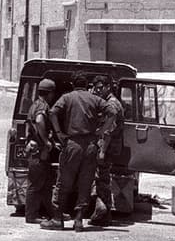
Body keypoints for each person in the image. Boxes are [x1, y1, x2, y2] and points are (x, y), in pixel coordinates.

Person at [41, 71, 103, 232]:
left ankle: (57, 218)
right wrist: (102, 130)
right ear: (87, 84)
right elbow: (112, 111)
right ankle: (79, 220)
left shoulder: (67, 97)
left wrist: (59, 133)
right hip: (90, 145)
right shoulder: (95, 99)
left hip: (72, 144)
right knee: (85, 183)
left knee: (64, 183)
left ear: (73, 84)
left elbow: (53, 112)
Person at [90, 75, 125, 226]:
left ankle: (102, 211)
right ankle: (104, 212)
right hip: (110, 146)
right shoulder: (112, 102)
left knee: (101, 179)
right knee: (102, 178)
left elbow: (108, 131)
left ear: (107, 87)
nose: (97, 91)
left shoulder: (111, 105)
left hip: (108, 147)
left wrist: (102, 151)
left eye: (100, 88)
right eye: (96, 88)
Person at [23, 78, 58, 223]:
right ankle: (31, 216)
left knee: (44, 184)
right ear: (50, 93)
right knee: (35, 184)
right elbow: (39, 121)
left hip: (36, 150)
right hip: (38, 151)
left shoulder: (35, 104)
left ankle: (51, 213)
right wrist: (46, 141)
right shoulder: (42, 106)